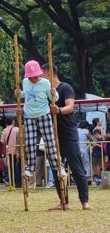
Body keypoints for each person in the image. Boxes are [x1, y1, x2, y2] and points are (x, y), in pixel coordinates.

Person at [41, 64, 91, 210]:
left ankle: (84, 201)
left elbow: (70, 107)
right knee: (57, 170)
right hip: (52, 135)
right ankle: (64, 201)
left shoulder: (65, 88)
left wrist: (59, 110)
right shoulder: (45, 92)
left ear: (49, 73)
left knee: (76, 169)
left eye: (42, 74)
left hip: (68, 135)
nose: (40, 77)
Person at [15, 60, 63, 180]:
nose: (33, 79)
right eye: (31, 77)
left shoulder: (46, 83)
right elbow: (26, 95)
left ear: (40, 74)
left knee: (50, 143)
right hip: (29, 116)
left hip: (44, 114)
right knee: (30, 143)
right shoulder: (25, 82)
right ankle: (30, 168)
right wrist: (19, 94)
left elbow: (54, 98)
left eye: (35, 77)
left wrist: (54, 93)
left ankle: (58, 167)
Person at [0, 116, 21, 187]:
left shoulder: (4, 131)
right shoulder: (16, 129)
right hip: (16, 151)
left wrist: (4, 154)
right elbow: (19, 140)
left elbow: (3, 144)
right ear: (13, 122)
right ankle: (15, 182)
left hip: (8, 152)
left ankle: (10, 181)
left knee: (11, 168)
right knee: (16, 168)